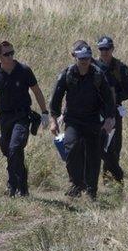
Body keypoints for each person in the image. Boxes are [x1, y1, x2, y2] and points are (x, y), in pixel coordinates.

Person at [0, 41, 49, 197]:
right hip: (5, 117)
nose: (10, 56)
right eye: (6, 54)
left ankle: (12, 186)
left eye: (12, 53)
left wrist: (44, 112)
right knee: (10, 152)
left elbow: (37, 91)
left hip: (22, 116)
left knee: (15, 148)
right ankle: (22, 187)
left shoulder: (24, 70)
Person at [49, 41, 116, 200]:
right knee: (71, 148)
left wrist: (109, 118)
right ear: (75, 58)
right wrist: (53, 120)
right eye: (81, 58)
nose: (84, 61)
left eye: (87, 57)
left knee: (93, 155)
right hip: (73, 120)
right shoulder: (67, 74)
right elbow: (56, 99)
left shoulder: (98, 74)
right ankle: (76, 183)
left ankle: (92, 190)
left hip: (93, 120)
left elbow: (108, 99)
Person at [95, 36, 128, 185]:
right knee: (94, 146)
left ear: (112, 49)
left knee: (113, 147)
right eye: (101, 49)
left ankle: (110, 179)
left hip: (114, 111)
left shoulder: (121, 68)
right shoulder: (92, 66)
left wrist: (113, 96)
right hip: (94, 111)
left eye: (107, 49)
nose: (104, 52)